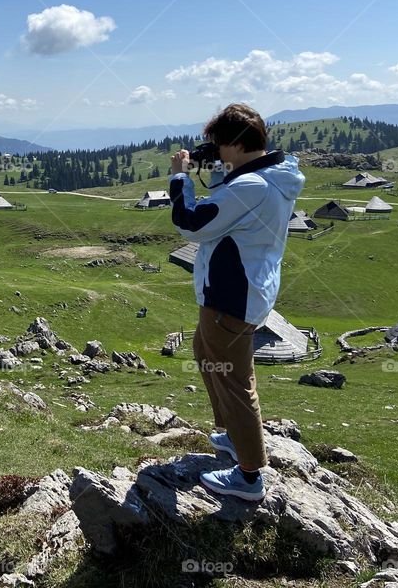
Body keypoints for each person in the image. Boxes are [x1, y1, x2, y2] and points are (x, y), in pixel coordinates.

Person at [169, 103, 304, 501]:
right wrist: (218, 165)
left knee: (234, 379)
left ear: (237, 143)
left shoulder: (252, 187)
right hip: (244, 289)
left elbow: (191, 224)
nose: (215, 150)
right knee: (205, 352)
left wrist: (180, 178)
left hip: (231, 296)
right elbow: (228, 202)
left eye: (219, 144)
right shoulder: (267, 176)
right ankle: (232, 436)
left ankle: (249, 476)